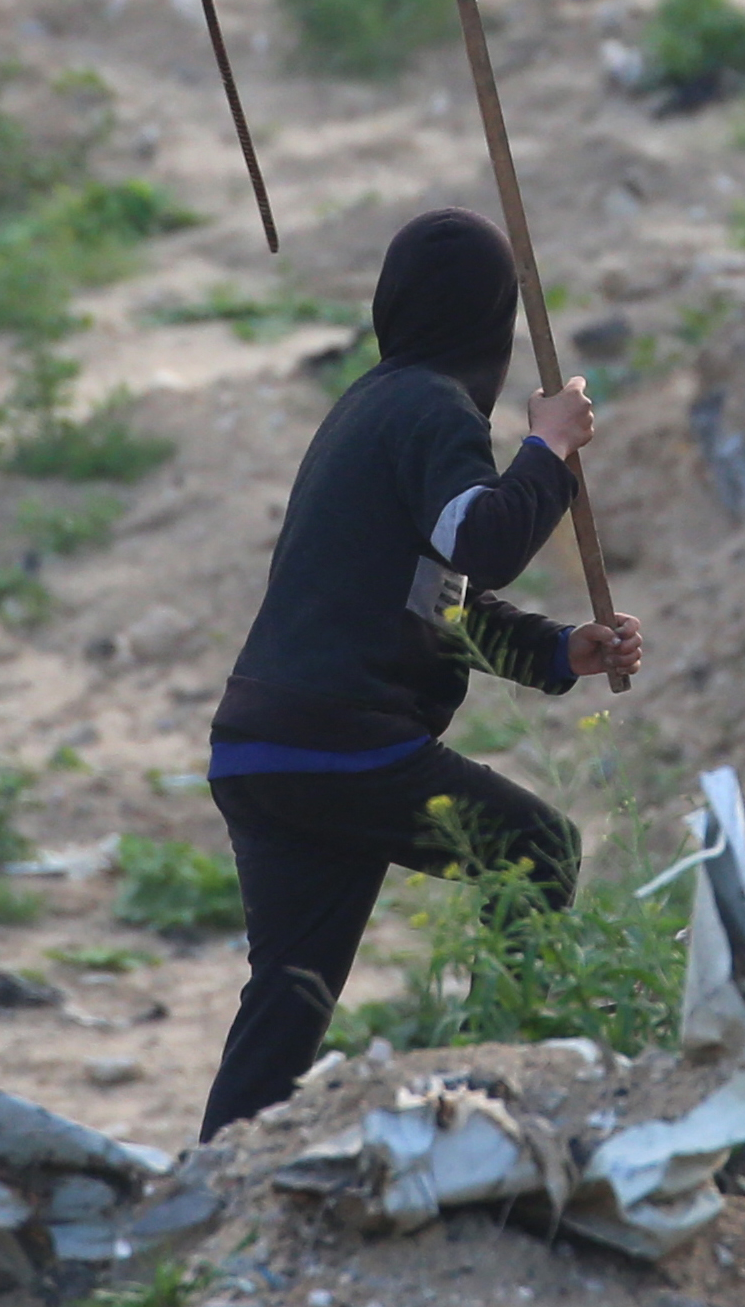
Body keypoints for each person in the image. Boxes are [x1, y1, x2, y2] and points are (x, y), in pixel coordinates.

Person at [195, 207, 644, 1141]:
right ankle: (493, 1096)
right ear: (492, 319)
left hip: (262, 751)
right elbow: (482, 538)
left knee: (285, 1005)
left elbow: (432, 599)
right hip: (340, 739)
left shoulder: (368, 406)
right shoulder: (432, 408)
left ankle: (215, 1193)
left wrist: (559, 651)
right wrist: (549, 448)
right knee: (539, 852)